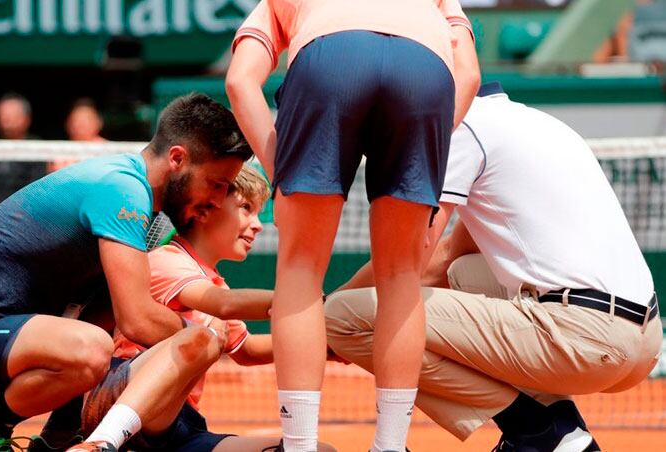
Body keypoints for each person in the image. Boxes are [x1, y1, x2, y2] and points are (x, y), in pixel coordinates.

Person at [324, 83, 663, 451]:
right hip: (643, 341)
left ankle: (535, 429)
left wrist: (321, 316)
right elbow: (446, 262)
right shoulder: (533, 123)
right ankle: (562, 426)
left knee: (341, 316)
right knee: (464, 275)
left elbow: (409, 258)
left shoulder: (460, 130)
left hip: (585, 337)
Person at [0, 93, 253, 452]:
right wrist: (205, 339)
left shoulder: (138, 200)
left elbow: (104, 317)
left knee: (99, 323)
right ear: (177, 159)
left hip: (11, 340)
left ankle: (60, 436)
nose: (218, 200)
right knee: (92, 350)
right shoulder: (123, 190)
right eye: (216, 183)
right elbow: (138, 320)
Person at [225, 1, 481, 450]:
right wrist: (428, 147)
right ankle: (391, 445)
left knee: (301, 268)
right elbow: (469, 75)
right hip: (426, 71)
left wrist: (279, 169)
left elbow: (240, 79)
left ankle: (300, 445)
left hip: (330, 60)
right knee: (402, 274)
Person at [66, 165, 335, 452]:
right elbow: (224, 305)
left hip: (176, 427)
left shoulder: (215, 282)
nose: (258, 225)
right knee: (203, 336)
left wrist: (325, 344)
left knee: (321, 451)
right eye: (246, 208)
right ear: (205, 210)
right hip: (119, 395)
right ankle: (101, 442)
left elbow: (246, 351)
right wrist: (311, 302)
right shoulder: (167, 259)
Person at [0, 92, 46, 220]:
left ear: (26, 118)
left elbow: (36, 193)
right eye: (2, 115)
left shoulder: (37, 148)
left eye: (12, 115)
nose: (6, 120)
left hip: (26, 220)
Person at [49, 99, 107, 173]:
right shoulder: (58, 151)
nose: (80, 124)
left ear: (98, 123)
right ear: (68, 123)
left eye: (86, 119)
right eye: (76, 120)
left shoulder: (109, 150)